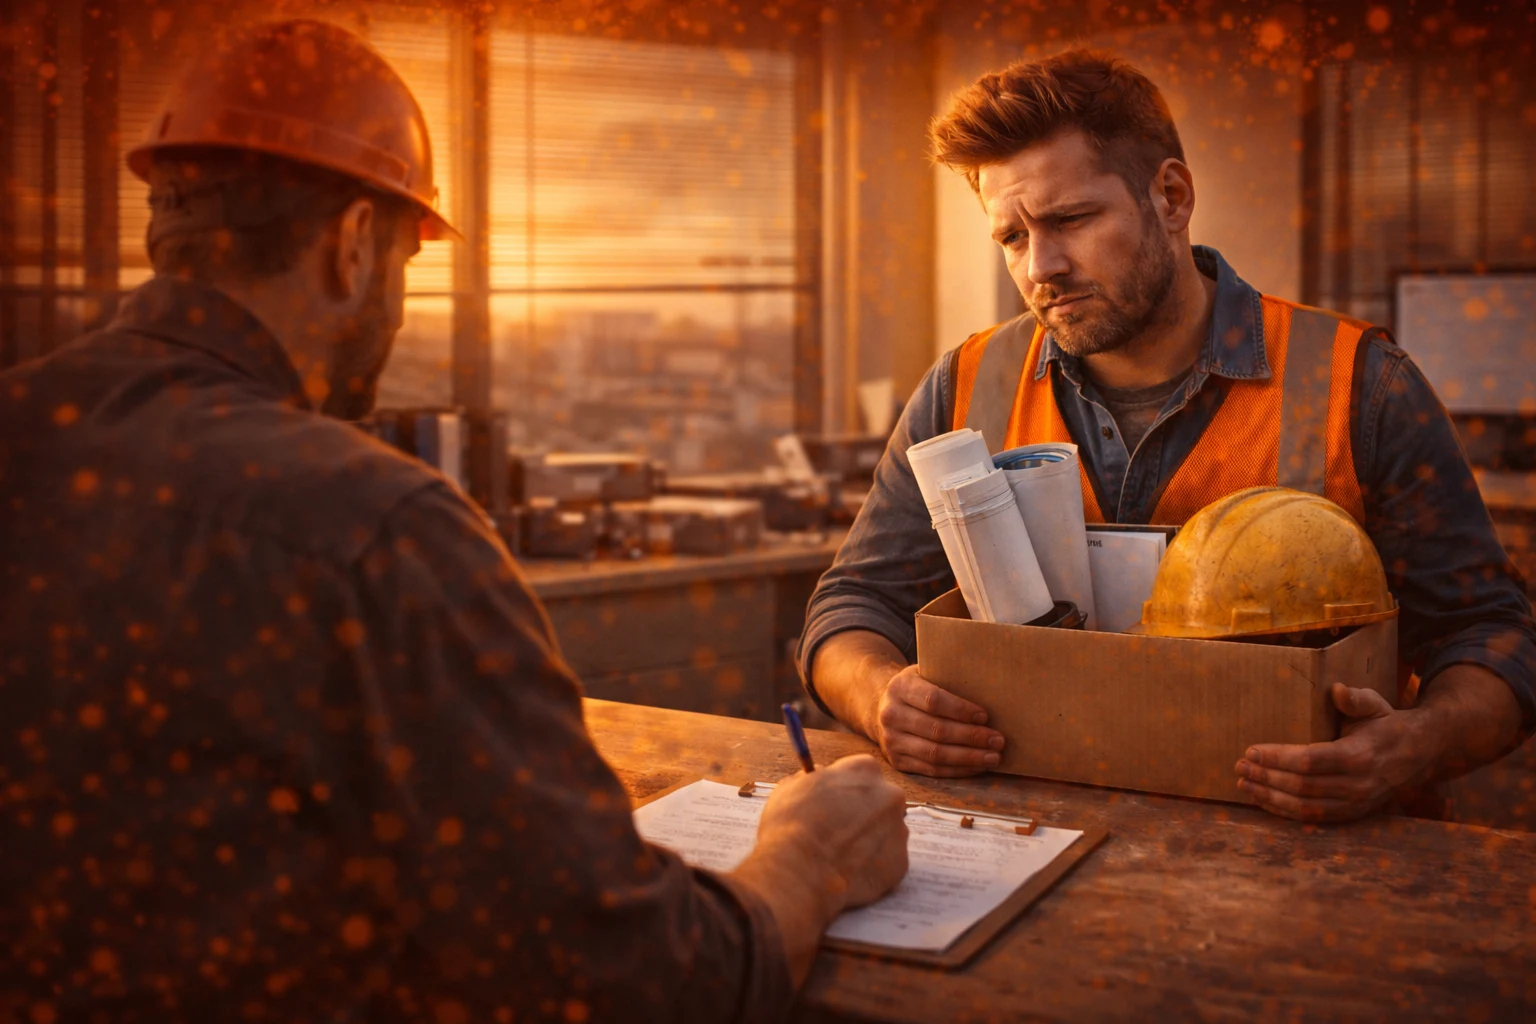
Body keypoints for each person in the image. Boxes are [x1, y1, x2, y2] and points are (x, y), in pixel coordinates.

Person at [0, 19, 909, 1022]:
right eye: (403, 261)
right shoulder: (378, 528)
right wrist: (808, 859)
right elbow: (640, 981)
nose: (395, 305)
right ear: (353, 244)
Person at [799, 49, 1535, 824]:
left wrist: (1416, 745)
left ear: (1172, 196)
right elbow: (851, 606)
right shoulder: (966, 385)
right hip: (1031, 843)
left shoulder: (1362, 385)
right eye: (1011, 237)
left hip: (1315, 861)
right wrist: (882, 698)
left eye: (1070, 220)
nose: (1040, 266)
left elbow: (1494, 640)